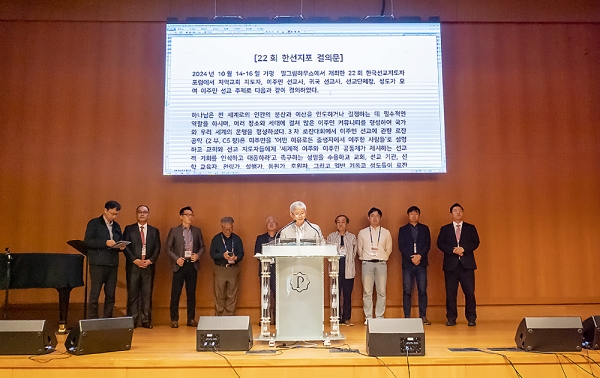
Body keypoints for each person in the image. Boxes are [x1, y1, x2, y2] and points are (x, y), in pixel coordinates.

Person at [437, 203, 480, 327]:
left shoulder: (470, 228)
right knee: (451, 293)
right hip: (451, 265)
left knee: (470, 293)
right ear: (451, 214)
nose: (458, 212)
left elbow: (476, 242)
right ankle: (451, 318)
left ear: (463, 212)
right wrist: (452, 250)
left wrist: (464, 249)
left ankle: (471, 318)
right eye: (455, 211)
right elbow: (440, 243)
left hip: (467, 265)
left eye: (460, 210)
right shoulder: (445, 229)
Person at [84, 200, 126, 319]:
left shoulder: (116, 226)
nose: (114, 216)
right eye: (112, 213)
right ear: (105, 210)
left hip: (112, 263)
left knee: (111, 294)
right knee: (95, 293)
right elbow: (88, 242)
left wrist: (121, 247)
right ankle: (92, 320)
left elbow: (118, 241)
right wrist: (105, 243)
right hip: (98, 263)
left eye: (116, 214)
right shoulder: (94, 223)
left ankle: (107, 319)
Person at [166, 206, 205, 328]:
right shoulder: (174, 230)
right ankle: (174, 319)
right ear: (181, 216)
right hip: (179, 264)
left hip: (192, 265)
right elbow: (167, 248)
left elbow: (202, 247)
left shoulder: (197, 231)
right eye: (187, 215)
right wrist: (176, 259)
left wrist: (197, 256)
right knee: (175, 293)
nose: (190, 217)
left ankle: (191, 319)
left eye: (191, 215)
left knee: (191, 293)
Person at [122, 205, 160, 329]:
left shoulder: (154, 231)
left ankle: (146, 320)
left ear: (148, 214)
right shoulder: (129, 229)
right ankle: (132, 320)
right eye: (140, 212)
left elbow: (157, 248)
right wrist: (134, 260)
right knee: (132, 294)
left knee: (147, 294)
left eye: (145, 212)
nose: (142, 214)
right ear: (136, 214)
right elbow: (125, 247)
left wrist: (150, 261)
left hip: (148, 267)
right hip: (133, 266)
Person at [357, 207, 392, 325]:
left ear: (380, 218)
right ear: (368, 218)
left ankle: (379, 316)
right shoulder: (362, 232)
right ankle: (368, 317)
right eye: (372, 216)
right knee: (367, 291)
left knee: (381, 291)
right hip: (367, 263)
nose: (375, 218)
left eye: (377, 216)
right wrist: (367, 257)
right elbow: (359, 250)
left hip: (381, 263)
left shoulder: (386, 232)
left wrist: (381, 256)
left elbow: (389, 250)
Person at [398, 206, 431, 325]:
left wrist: (419, 256)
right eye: (411, 214)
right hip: (408, 263)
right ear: (408, 215)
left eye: (416, 213)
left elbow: (427, 244)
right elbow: (401, 246)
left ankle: (423, 316)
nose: (414, 216)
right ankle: (407, 316)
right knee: (407, 290)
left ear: (419, 215)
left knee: (422, 290)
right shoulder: (403, 229)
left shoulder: (424, 228)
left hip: (421, 263)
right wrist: (411, 257)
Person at [209, 217, 244, 316]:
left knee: (232, 294)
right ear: (221, 227)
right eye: (225, 229)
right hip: (220, 268)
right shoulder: (216, 239)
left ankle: (230, 315)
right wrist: (222, 255)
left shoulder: (237, 239)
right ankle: (219, 315)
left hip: (233, 269)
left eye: (230, 229)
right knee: (219, 294)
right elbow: (212, 254)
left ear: (233, 227)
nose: (228, 231)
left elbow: (241, 253)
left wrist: (236, 257)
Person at [326, 215, 357, 326]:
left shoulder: (352, 237)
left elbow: (354, 253)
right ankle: (336, 318)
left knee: (347, 295)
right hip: (335, 268)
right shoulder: (331, 237)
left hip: (348, 268)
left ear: (346, 223)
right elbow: (328, 252)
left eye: (343, 222)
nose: (340, 224)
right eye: (338, 222)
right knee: (336, 294)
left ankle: (346, 318)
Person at [254, 216, 278, 324]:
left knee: (278, 295)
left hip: (278, 270)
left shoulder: (281, 237)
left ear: (277, 225)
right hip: (265, 269)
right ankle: (265, 318)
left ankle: (278, 319)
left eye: (273, 222)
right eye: (269, 222)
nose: (271, 223)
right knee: (265, 294)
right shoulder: (260, 238)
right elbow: (257, 253)